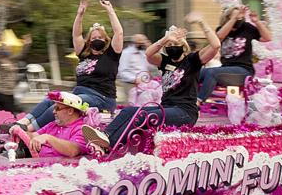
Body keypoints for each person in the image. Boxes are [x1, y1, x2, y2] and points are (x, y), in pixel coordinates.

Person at [85, 12, 221, 153]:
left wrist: (201, 22)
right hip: (165, 108)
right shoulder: (165, 61)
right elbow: (149, 54)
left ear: (184, 46)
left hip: (185, 112)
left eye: (176, 44)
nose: (172, 46)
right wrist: (166, 38)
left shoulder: (192, 60)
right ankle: (105, 136)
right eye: (169, 44)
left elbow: (216, 45)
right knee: (128, 111)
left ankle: (109, 147)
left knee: (144, 116)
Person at [9, 0, 123, 131]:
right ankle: (22, 122)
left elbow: (119, 33)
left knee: (63, 102)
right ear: (89, 41)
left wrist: (110, 10)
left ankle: (29, 130)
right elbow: (76, 35)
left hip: (101, 97)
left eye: (100, 38)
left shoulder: (111, 55)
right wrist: (80, 14)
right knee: (50, 99)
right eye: (93, 38)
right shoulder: (84, 54)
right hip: (79, 93)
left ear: (105, 40)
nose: (97, 40)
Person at [197, 4, 272, 102]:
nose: (238, 19)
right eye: (236, 16)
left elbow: (267, 38)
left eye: (240, 16)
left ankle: (197, 102)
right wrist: (233, 19)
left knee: (212, 72)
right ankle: (183, 98)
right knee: (196, 72)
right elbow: (219, 37)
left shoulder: (246, 28)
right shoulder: (221, 29)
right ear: (228, 17)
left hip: (244, 71)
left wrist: (257, 22)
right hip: (225, 69)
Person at [8, 91, 92, 159]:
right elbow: (33, 136)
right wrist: (19, 131)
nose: (53, 112)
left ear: (70, 111)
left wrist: (48, 138)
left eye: (57, 108)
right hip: (41, 167)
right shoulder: (53, 124)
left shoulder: (82, 128)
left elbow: (73, 150)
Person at [117, 33, 151, 102]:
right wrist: (134, 79)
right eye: (141, 43)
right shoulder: (126, 53)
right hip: (130, 85)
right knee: (133, 106)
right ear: (136, 42)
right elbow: (122, 71)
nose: (143, 44)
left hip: (144, 85)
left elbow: (149, 67)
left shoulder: (143, 52)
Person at [0, 49, 19, 114]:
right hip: (4, 94)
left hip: (7, 93)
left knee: (7, 114)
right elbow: (8, 67)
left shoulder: (9, 64)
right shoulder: (3, 64)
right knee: (8, 115)